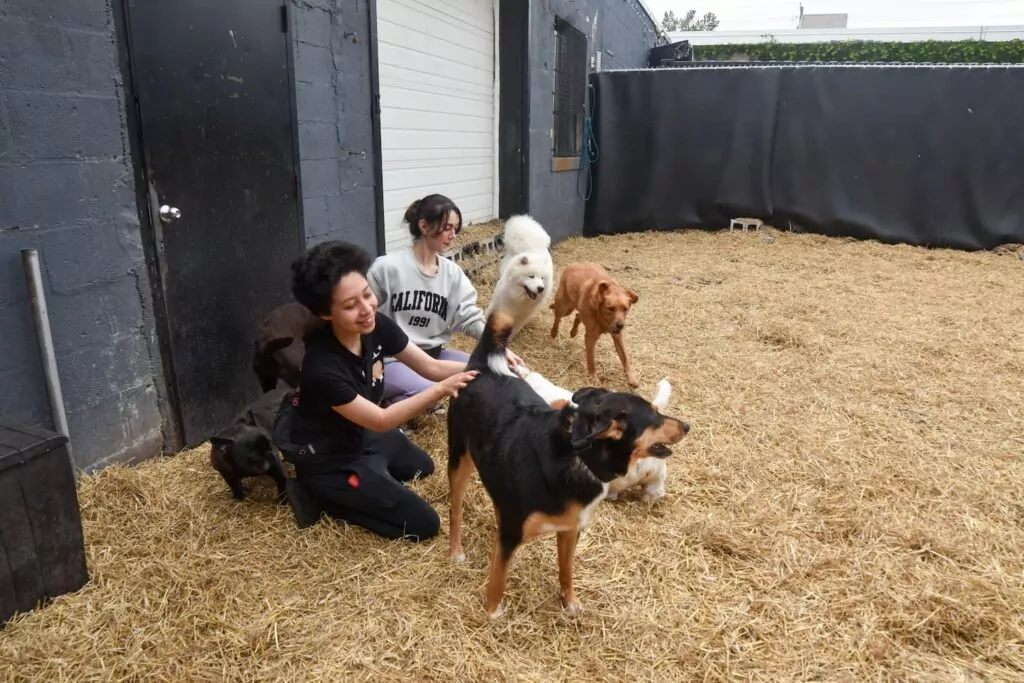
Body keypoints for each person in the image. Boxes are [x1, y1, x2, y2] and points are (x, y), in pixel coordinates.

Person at [279, 240, 478, 541]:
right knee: (424, 525)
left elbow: (431, 367)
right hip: (331, 458)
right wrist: (443, 390)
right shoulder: (321, 368)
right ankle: (324, 495)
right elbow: (382, 420)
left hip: (360, 433)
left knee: (422, 468)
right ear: (325, 314)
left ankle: (372, 478)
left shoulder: (376, 326)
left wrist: (488, 363)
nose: (366, 309)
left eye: (367, 295)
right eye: (350, 305)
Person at [367, 193, 521, 405]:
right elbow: (364, 314)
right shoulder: (386, 268)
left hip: (434, 357)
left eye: (455, 229)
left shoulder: (452, 274)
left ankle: (410, 396)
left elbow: (468, 317)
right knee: (436, 392)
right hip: (393, 360)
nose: (453, 235)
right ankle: (391, 401)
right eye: (447, 228)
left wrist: (496, 347)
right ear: (424, 226)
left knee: (488, 375)